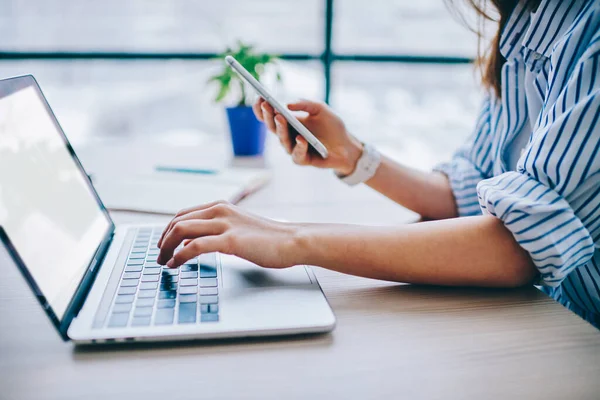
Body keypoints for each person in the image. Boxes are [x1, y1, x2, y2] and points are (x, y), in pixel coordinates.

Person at [158, 0, 600, 326]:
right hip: (545, 315)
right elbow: (466, 193)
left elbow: (515, 247)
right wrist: (352, 155)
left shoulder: (589, 30)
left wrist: (292, 239)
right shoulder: (527, 21)